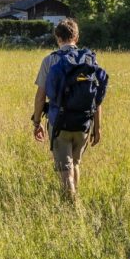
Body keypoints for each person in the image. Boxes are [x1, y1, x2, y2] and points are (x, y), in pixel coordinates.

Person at [32, 18, 108, 200]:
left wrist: (36, 122)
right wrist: (97, 128)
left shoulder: (50, 60)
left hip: (60, 122)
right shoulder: (89, 60)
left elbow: (41, 96)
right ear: (77, 37)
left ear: (57, 37)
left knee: (64, 169)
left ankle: (71, 206)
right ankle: (75, 198)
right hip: (84, 123)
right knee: (75, 163)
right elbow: (97, 99)